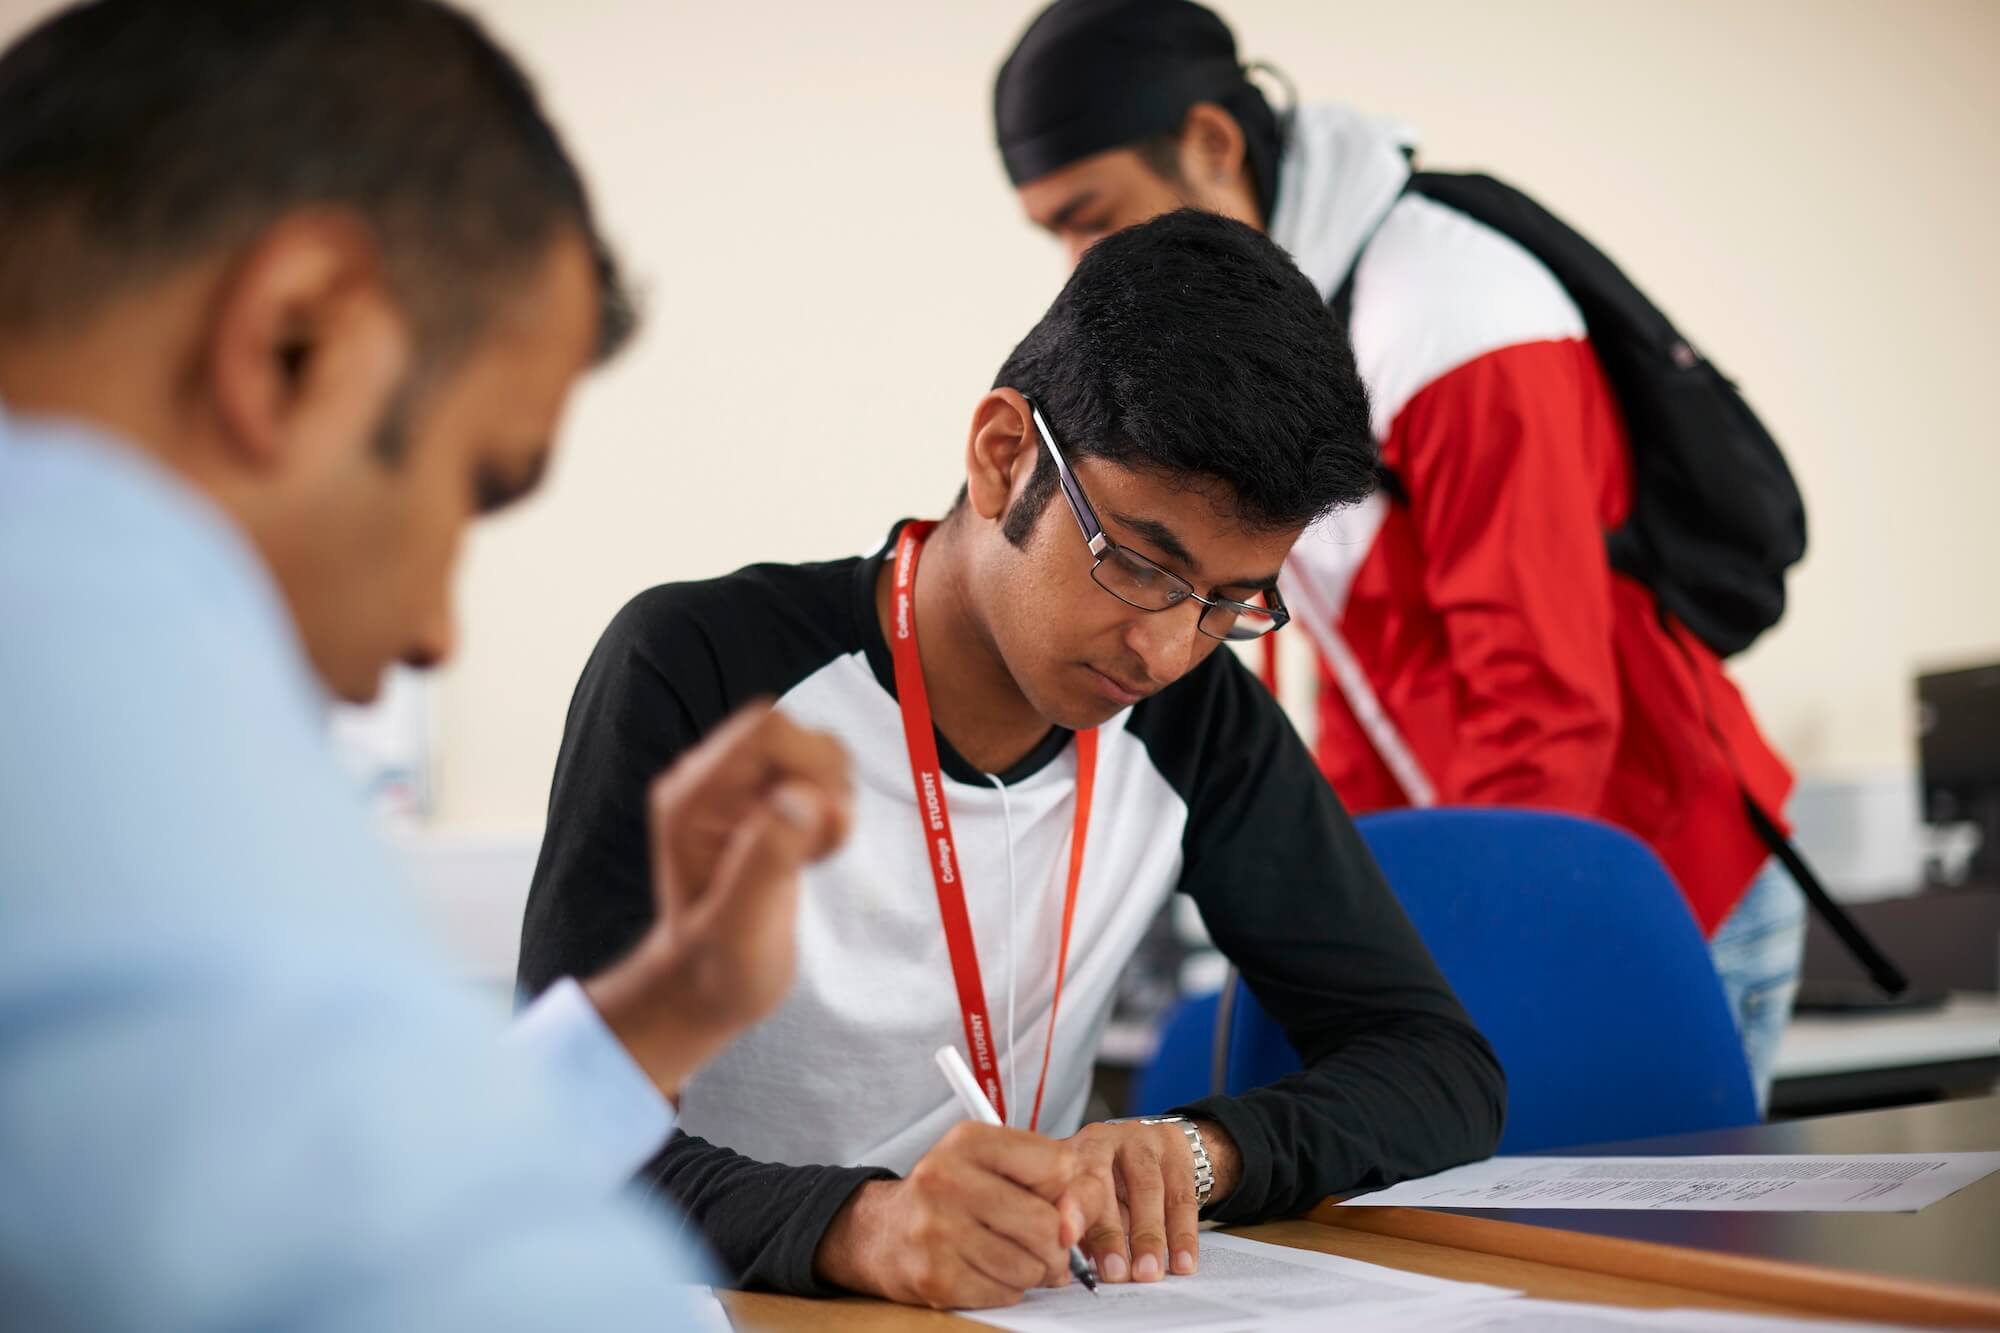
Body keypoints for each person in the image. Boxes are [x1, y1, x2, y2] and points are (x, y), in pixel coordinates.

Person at [0, 2, 855, 1327]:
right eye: (472, 487)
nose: (434, 637)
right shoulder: (77, 607)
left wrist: (665, 1009)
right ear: (300, 340)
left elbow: (310, 1186)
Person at [518, 209, 1507, 1311]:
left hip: (1019, 1304)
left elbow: (1438, 1068)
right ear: (1002, 457)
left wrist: (1194, 1153)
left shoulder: (1194, 719)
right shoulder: (702, 669)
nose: (1166, 647)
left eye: (1231, 601)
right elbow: (560, 1132)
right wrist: (859, 1227)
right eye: (1139, 562)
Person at [991, 0, 1805, 1108]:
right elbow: (1367, 685)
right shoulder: (1293, 333)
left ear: (1213, 146)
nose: (1083, 265)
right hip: (1512, 860)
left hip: (1643, 884)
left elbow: (1543, 702)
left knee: (1630, 1277)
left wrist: (1436, 983)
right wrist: (1351, 919)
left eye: (1090, 218)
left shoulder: (1450, 315)